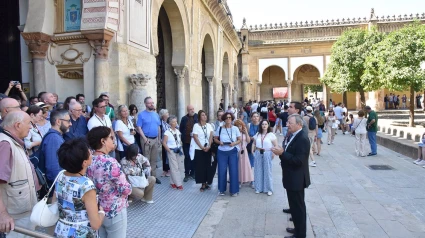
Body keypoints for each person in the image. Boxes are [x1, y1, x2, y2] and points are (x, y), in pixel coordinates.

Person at [53, 139, 105, 238]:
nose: (91, 152)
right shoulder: (86, 185)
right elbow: (95, 224)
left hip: (61, 231)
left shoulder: (60, 176)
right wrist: (101, 213)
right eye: (89, 151)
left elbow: (56, 201)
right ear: (84, 162)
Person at [86, 126, 131, 238]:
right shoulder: (110, 162)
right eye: (111, 138)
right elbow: (125, 189)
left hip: (96, 209)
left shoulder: (88, 160)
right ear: (103, 141)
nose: (113, 140)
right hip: (114, 210)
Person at [0, 111, 38, 237]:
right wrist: (3, 214)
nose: (31, 127)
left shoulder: (12, 141)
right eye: (28, 123)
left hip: (21, 212)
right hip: (14, 217)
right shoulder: (5, 144)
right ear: (17, 125)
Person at [272, 114, 311, 238]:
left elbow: (299, 161)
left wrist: (282, 154)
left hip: (297, 179)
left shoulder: (303, 139)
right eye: (287, 122)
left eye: (290, 123)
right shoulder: (293, 135)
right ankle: (297, 229)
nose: (287, 125)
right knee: (293, 206)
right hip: (291, 177)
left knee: (298, 207)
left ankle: (301, 234)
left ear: (299, 125)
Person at [213, 112, 241, 197]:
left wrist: (234, 143)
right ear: (224, 119)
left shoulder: (235, 128)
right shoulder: (220, 129)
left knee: (233, 170)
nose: (228, 119)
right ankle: (221, 189)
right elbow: (215, 139)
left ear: (232, 119)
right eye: (226, 118)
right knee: (222, 170)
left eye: (230, 117)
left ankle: (234, 190)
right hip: (222, 152)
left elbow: (239, 139)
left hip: (232, 151)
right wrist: (219, 142)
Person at [42, 110, 72, 188]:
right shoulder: (53, 138)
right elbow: (53, 168)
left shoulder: (56, 137)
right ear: (58, 121)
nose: (70, 124)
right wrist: (60, 188)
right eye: (68, 121)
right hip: (56, 188)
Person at [136, 97, 161, 184]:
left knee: (154, 159)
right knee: (146, 159)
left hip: (155, 139)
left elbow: (158, 127)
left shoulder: (156, 114)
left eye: (152, 102)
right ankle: (147, 177)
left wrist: (159, 139)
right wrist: (145, 139)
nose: (152, 104)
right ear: (145, 104)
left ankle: (154, 177)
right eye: (149, 103)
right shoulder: (141, 115)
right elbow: (139, 127)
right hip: (146, 139)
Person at [252, 119, 277, 195]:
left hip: (267, 153)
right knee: (258, 170)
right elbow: (254, 143)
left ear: (268, 125)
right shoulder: (258, 134)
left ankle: (269, 189)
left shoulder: (271, 135)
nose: (264, 126)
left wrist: (273, 153)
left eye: (266, 124)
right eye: (263, 124)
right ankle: (259, 188)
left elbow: (275, 145)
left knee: (267, 171)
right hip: (258, 152)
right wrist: (252, 151)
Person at [192, 110, 214, 192]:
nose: (205, 116)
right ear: (199, 117)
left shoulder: (209, 125)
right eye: (203, 115)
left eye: (205, 115)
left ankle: (208, 182)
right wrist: (201, 147)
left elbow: (211, 136)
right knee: (201, 167)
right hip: (199, 149)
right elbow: (195, 137)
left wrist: (209, 146)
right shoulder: (196, 126)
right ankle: (203, 183)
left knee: (208, 166)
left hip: (208, 148)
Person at [162, 115, 184, 190]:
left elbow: (179, 140)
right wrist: (169, 151)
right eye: (174, 122)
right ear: (170, 123)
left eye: (176, 121)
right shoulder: (167, 132)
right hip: (171, 150)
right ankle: (179, 183)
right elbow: (164, 143)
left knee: (177, 167)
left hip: (178, 150)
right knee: (175, 168)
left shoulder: (177, 131)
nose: (175, 123)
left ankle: (172, 182)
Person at [180, 105, 198, 182]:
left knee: (193, 157)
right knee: (187, 157)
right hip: (186, 142)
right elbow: (181, 129)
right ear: (187, 110)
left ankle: (193, 173)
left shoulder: (197, 117)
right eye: (190, 109)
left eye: (193, 109)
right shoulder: (184, 119)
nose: (192, 110)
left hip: (195, 142)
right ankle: (186, 174)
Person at [233, 119, 253, 188]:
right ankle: (238, 181)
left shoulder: (244, 133)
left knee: (245, 165)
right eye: (237, 126)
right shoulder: (234, 134)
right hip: (237, 150)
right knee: (238, 165)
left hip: (244, 150)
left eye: (240, 126)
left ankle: (246, 179)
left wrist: (246, 132)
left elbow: (248, 140)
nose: (239, 127)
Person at [159, 109, 171, 177]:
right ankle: (165, 170)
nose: (168, 114)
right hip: (164, 141)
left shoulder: (170, 121)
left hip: (170, 141)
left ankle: (169, 170)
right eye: (166, 113)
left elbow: (177, 127)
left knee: (168, 155)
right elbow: (160, 131)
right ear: (163, 115)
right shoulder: (160, 122)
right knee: (164, 155)